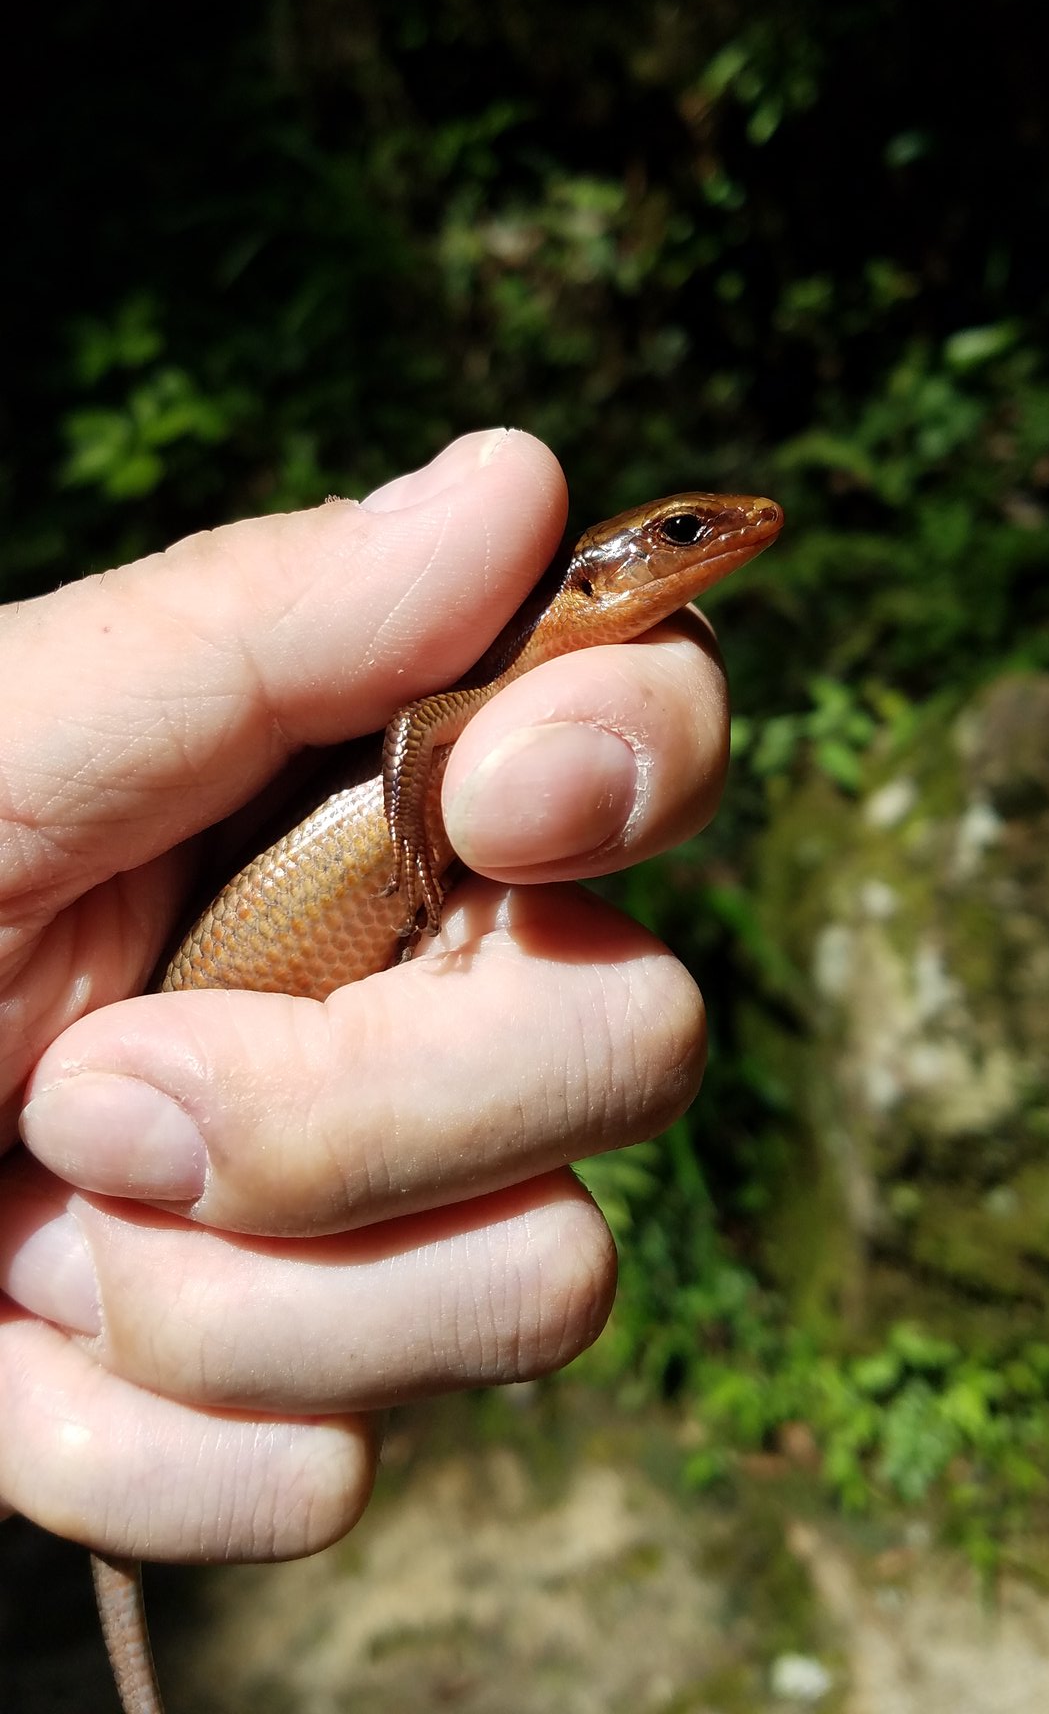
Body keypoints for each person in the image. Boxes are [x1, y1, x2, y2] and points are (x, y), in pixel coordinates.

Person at [0, 429, 726, 1566]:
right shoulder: (508, 661)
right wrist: (408, 827)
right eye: (684, 532)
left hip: (198, 1015)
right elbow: (417, 729)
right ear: (596, 574)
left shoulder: (556, 667)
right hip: (214, 951)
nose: (722, 538)